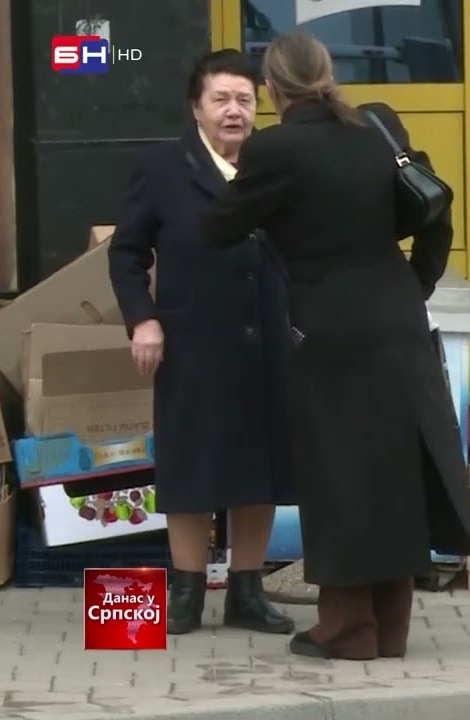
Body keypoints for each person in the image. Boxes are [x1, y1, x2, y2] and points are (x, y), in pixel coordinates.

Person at [203, 30, 470, 661]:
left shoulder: (273, 148)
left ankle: (347, 626)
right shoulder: (378, 125)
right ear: (328, 75)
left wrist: (232, 171)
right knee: (394, 469)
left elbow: (221, 227)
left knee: (339, 475)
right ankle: (391, 628)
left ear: (272, 88)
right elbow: (436, 210)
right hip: (397, 312)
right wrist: (416, 283)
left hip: (328, 327)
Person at [107, 49, 295, 636]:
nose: (234, 111)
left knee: (260, 467)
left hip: (268, 337)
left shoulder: (275, 164)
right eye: (221, 99)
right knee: (191, 464)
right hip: (191, 340)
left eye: (244, 100)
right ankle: (186, 594)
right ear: (196, 107)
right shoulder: (164, 167)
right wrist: (143, 321)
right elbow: (126, 253)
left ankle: (247, 593)